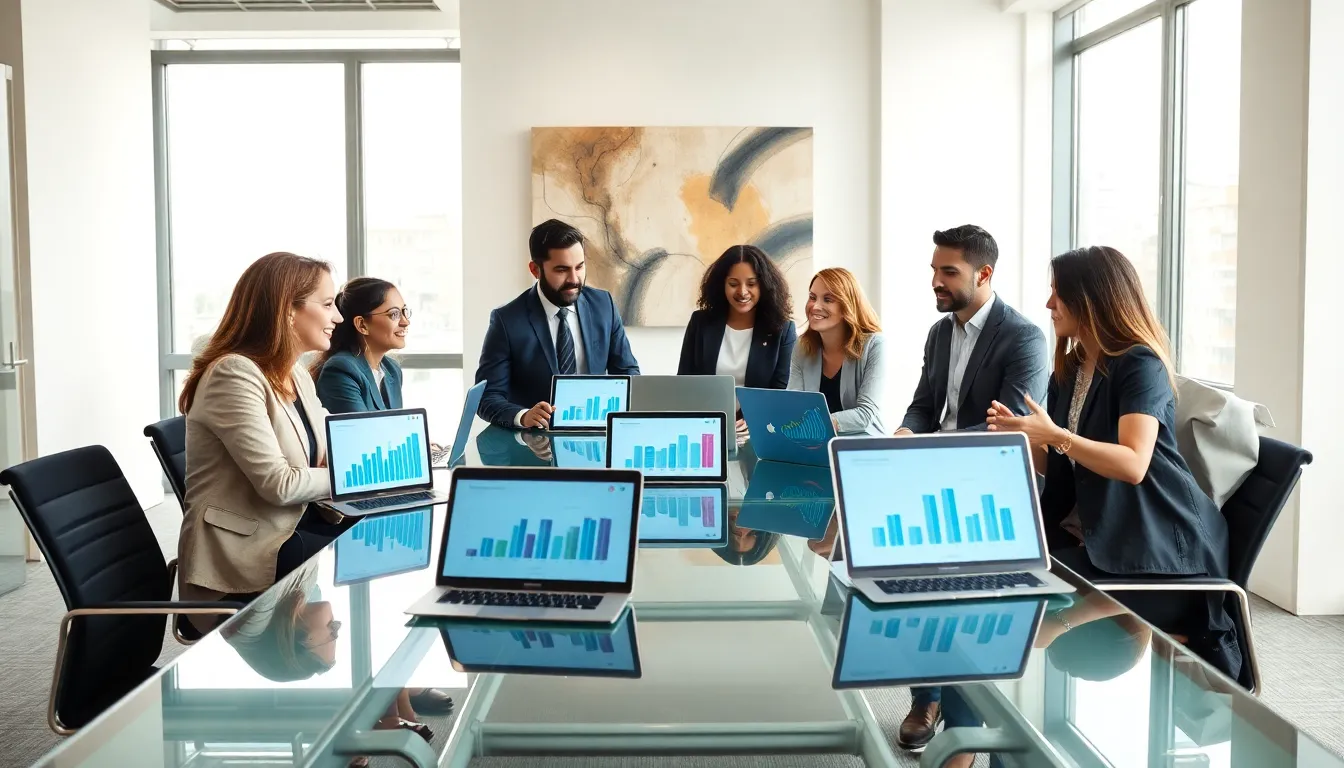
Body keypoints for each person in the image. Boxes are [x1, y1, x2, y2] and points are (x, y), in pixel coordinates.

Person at [987, 245, 1241, 683]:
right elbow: (1066, 467)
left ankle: (996, 734)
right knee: (994, 576)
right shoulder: (1071, 369)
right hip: (1109, 541)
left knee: (1020, 604)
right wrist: (1028, 439)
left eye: (1057, 294)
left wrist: (1057, 436)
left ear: (1091, 300)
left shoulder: (1139, 363)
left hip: (1162, 556)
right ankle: (976, 731)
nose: (1048, 304)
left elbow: (1133, 464)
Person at [891, 225, 1049, 753]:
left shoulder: (1023, 337)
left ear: (984, 274)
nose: (935, 280)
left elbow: (1010, 430)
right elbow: (923, 402)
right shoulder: (940, 333)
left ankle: (960, 721)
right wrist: (907, 432)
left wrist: (932, 446)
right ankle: (926, 696)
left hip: (989, 484)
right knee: (907, 578)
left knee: (958, 602)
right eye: (934, 270)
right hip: (936, 471)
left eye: (948, 272)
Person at [177, 252, 348, 615]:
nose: (338, 317)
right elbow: (279, 484)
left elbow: (330, 448)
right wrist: (358, 477)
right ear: (288, 310)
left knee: (377, 542)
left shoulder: (296, 374)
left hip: (294, 528)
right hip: (243, 557)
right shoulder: (234, 374)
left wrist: (400, 458)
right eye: (328, 304)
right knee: (362, 558)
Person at [475, 219, 641, 429]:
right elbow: (487, 397)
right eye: (562, 270)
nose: (574, 279)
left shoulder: (603, 305)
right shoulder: (506, 320)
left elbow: (628, 373)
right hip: (533, 445)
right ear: (535, 270)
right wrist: (523, 416)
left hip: (596, 436)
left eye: (579, 267)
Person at [678, 244, 797, 435]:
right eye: (733, 284)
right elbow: (684, 383)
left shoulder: (782, 329)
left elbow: (781, 390)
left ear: (764, 285)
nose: (742, 292)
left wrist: (753, 420)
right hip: (704, 428)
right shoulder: (701, 322)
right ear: (722, 285)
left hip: (758, 430)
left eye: (751, 284)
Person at [786, 267, 886, 436]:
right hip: (814, 443)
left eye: (828, 299)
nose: (815, 306)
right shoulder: (802, 347)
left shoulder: (875, 344)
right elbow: (793, 405)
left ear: (847, 305)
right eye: (812, 297)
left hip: (861, 446)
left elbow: (865, 414)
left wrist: (816, 423)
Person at [312, 277, 408, 414]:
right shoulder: (341, 369)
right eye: (394, 314)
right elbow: (363, 433)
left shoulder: (392, 369)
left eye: (404, 311)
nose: (405, 322)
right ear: (362, 325)